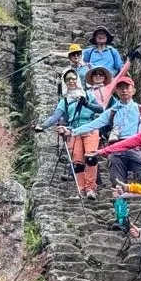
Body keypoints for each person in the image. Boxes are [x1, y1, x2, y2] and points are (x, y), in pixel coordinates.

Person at [34, 70, 104, 198]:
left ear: (78, 79)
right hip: (74, 130)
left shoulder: (88, 94)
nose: (71, 81)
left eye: (73, 78)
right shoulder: (65, 100)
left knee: (90, 157)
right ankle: (82, 190)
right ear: (65, 83)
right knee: (77, 162)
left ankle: (90, 188)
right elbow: (56, 116)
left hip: (90, 128)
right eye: (68, 80)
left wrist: (87, 104)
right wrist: (43, 126)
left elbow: (100, 109)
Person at [74, 77, 141, 187]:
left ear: (133, 90)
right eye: (120, 88)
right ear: (116, 91)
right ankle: (120, 203)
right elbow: (95, 123)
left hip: (136, 148)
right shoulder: (112, 111)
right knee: (117, 183)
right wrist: (74, 131)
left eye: (127, 88)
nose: (124, 91)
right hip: (116, 149)